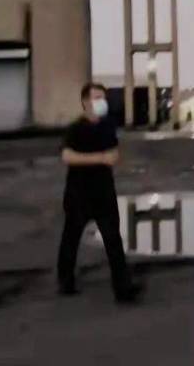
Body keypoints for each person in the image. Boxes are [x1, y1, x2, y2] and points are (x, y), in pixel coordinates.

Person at [57, 83, 140, 304]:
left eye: (103, 97)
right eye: (96, 97)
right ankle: (65, 281)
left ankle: (123, 289)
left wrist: (109, 157)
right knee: (71, 238)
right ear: (85, 102)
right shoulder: (75, 128)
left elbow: (113, 154)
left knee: (113, 240)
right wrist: (99, 158)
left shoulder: (107, 126)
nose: (101, 102)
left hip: (104, 192)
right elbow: (67, 156)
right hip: (78, 194)